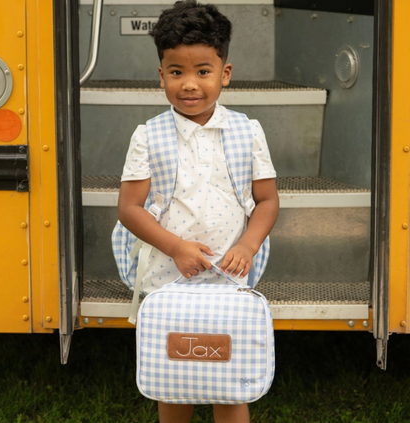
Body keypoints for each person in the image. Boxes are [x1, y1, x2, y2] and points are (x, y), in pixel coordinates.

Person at [117, 1, 279, 422]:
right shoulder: (147, 136)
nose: (190, 84)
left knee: (229, 380)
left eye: (203, 71)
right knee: (176, 376)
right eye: (176, 72)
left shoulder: (247, 130)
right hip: (169, 277)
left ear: (224, 73)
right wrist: (175, 247)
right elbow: (130, 209)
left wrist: (248, 243)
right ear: (161, 75)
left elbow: (267, 200)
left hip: (229, 275)